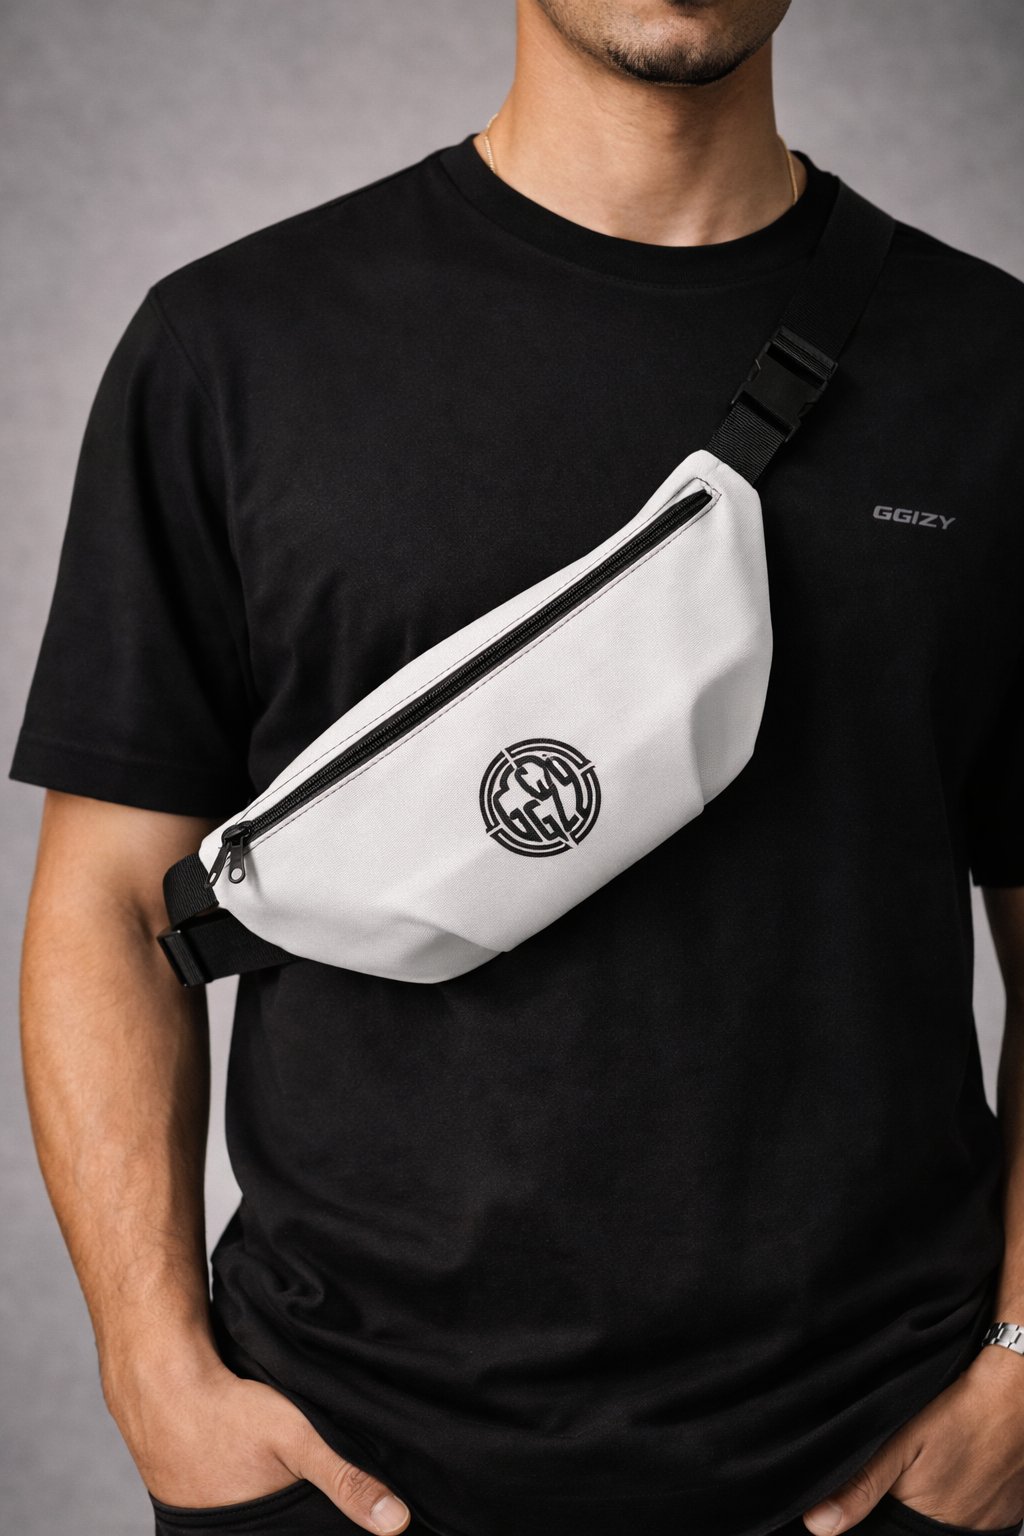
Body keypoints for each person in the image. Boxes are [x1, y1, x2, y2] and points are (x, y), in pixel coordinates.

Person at [14, 1, 1024, 1533]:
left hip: (875, 1464)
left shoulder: (993, 373)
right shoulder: (234, 347)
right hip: (344, 1463)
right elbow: (107, 900)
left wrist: (1021, 1363)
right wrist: (155, 1373)